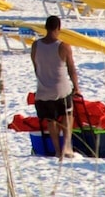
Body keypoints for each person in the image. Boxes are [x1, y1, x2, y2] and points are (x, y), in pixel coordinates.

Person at [31, 15, 81, 161]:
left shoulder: (35, 45)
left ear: (45, 27)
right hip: (61, 90)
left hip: (43, 91)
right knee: (68, 115)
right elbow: (71, 69)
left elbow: (36, 67)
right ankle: (67, 146)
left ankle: (57, 151)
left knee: (50, 120)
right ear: (59, 28)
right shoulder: (63, 46)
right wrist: (76, 87)